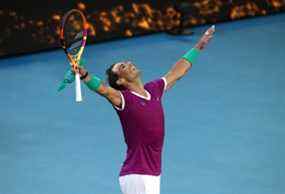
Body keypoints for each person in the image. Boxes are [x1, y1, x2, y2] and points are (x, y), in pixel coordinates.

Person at [74, 25, 214, 194]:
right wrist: (84, 75)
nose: (129, 64)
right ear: (120, 82)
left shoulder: (154, 89)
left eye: (127, 62)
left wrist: (198, 46)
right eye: (123, 67)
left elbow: (176, 72)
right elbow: (103, 89)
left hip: (152, 173)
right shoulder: (123, 98)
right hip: (138, 173)